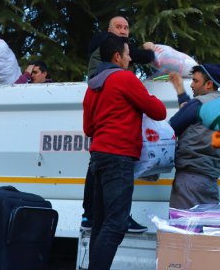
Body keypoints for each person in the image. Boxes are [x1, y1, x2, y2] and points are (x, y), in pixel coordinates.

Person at [83, 34, 166, 270]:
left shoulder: (93, 86)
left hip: (97, 158)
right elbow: (158, 111)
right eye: (128, 54)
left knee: (100, 224)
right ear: (117, 56)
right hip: (118, 157)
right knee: (116, 224)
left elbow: (88, 128)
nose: (131, 59)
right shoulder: (124, 79)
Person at [82, 16, 154, 234]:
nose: (122, 31)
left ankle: (91, 215)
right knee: (115, 183)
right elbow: (142, 56)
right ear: (108, 29)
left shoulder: (96, 81)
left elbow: (88, 127)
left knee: (95, 169)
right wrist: (150, 49)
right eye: (118, 27)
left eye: (125, 28)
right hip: (117, 140)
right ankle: (117, 217)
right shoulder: (110, 45)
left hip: (101, 128)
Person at [167, 63, 220, 209]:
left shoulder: (198, 104)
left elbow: (172, 127)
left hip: (190, 179)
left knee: (181, 229)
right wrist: (179, 89)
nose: (192, 85)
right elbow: (189, 115)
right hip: (209, 179)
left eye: (195, 81)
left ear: (208, 84)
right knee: (204, 227)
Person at [87, 16, 155, 78]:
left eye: (126, 28)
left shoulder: (101, 41)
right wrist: (149, 48)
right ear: (109, 30)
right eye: (118, 27)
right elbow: (146, 57)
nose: (123, 32)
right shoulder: (112, 42)